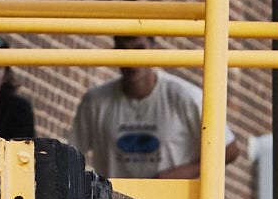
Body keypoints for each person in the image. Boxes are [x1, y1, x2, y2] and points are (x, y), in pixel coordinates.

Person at [70, 43, 217, 189]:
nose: (132, 59)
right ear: (114, 54)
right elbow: (71, 153)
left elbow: (228, 149)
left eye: (139, 49)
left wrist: (176, 175)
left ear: (155, 52)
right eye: (123, 50)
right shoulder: (96, 101)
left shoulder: (185, 96)